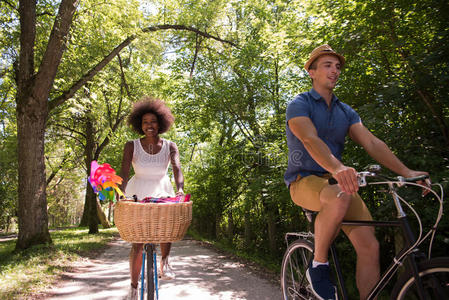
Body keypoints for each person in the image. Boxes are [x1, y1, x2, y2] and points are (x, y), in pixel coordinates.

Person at [284, 44, 428, 300]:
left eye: (337, 66)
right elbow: (309, 139)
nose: (335, 70)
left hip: (337, 183)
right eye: (327, 65)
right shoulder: (299, 103)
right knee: (340, 194)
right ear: (312, 72)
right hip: (303, 181)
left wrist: (406, 171)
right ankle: (318, 266)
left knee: (370, 246)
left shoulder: (345, 111)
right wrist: (338, 168)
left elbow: (372, 143)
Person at [119, 97, 184, 300]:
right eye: (146, 122)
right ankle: (133, 287)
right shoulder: (131, 146)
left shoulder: (170, 145)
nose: (150, 125)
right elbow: (124, 171)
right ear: (140, 125)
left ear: (161, 123)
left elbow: (177, 169)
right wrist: (119, 195)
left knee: (167, 226)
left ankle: (165, 262)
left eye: (153, 121)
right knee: (137, 243)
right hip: (137, 191)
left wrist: (180, 189)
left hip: (162, 189)